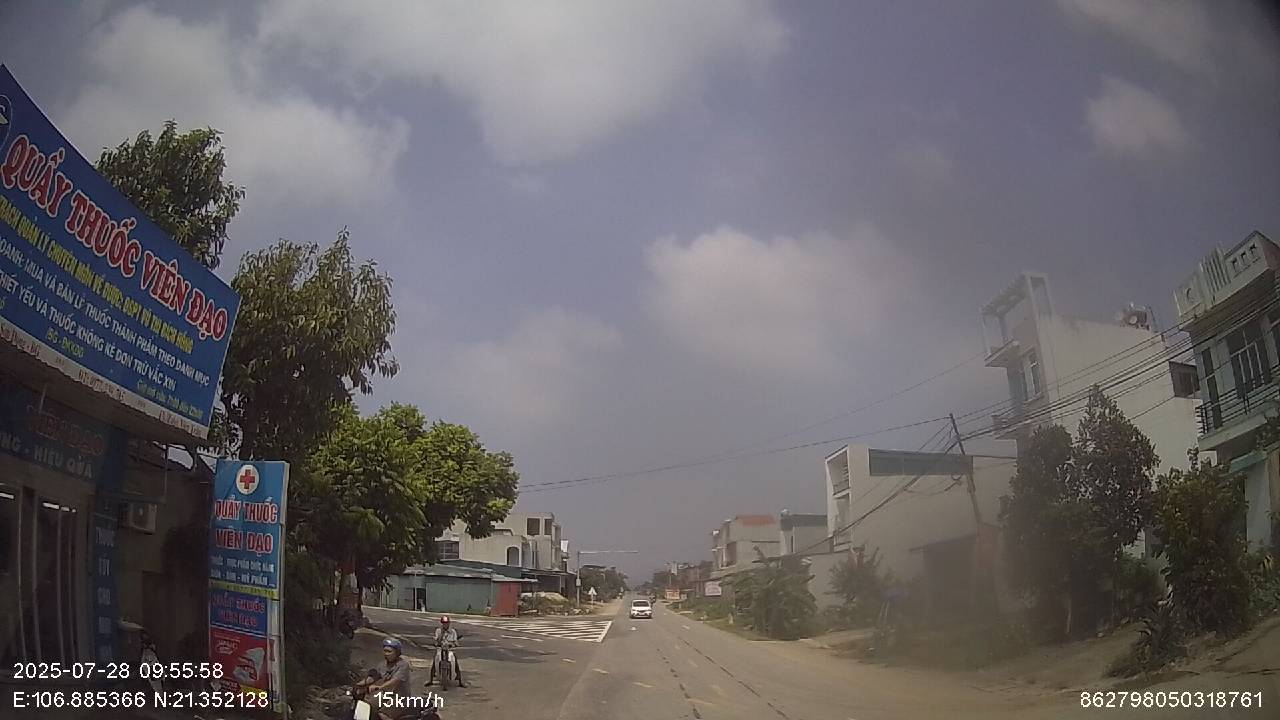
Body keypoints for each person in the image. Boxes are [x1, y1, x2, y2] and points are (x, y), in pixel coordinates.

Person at [356, 637, 412, 720]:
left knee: (383, 715)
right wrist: (359, 685)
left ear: (397, 652)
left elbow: (394, 681)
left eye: (389, 651)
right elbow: (373, 677)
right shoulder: (382, 665)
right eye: (385, 651)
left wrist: (379, 687)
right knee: (367, 706)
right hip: (385, 696)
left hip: (400, 698)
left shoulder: (403, 665)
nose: (386, 654)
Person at [425, 616, 465, 688]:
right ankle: (430, 680)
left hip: (450, 650)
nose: (445, 625)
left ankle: (460, 681)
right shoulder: (438, 631)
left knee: (456, 662)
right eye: (443, 623)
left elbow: (456, 642)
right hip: (440, 649)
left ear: (449, 623)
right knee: (434, 662)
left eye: (446, 623)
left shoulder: (453, 632)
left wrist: (454, 644)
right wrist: (439, 638)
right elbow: (436, 640)